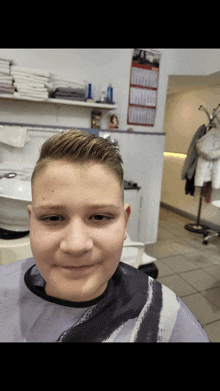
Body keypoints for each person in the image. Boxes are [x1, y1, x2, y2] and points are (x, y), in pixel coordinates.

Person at [0, 130, 209, 342]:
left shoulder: (169, 321)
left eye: (99, 216)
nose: (76, 245)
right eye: (53, 218)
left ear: (125, 221)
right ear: (31, 221)